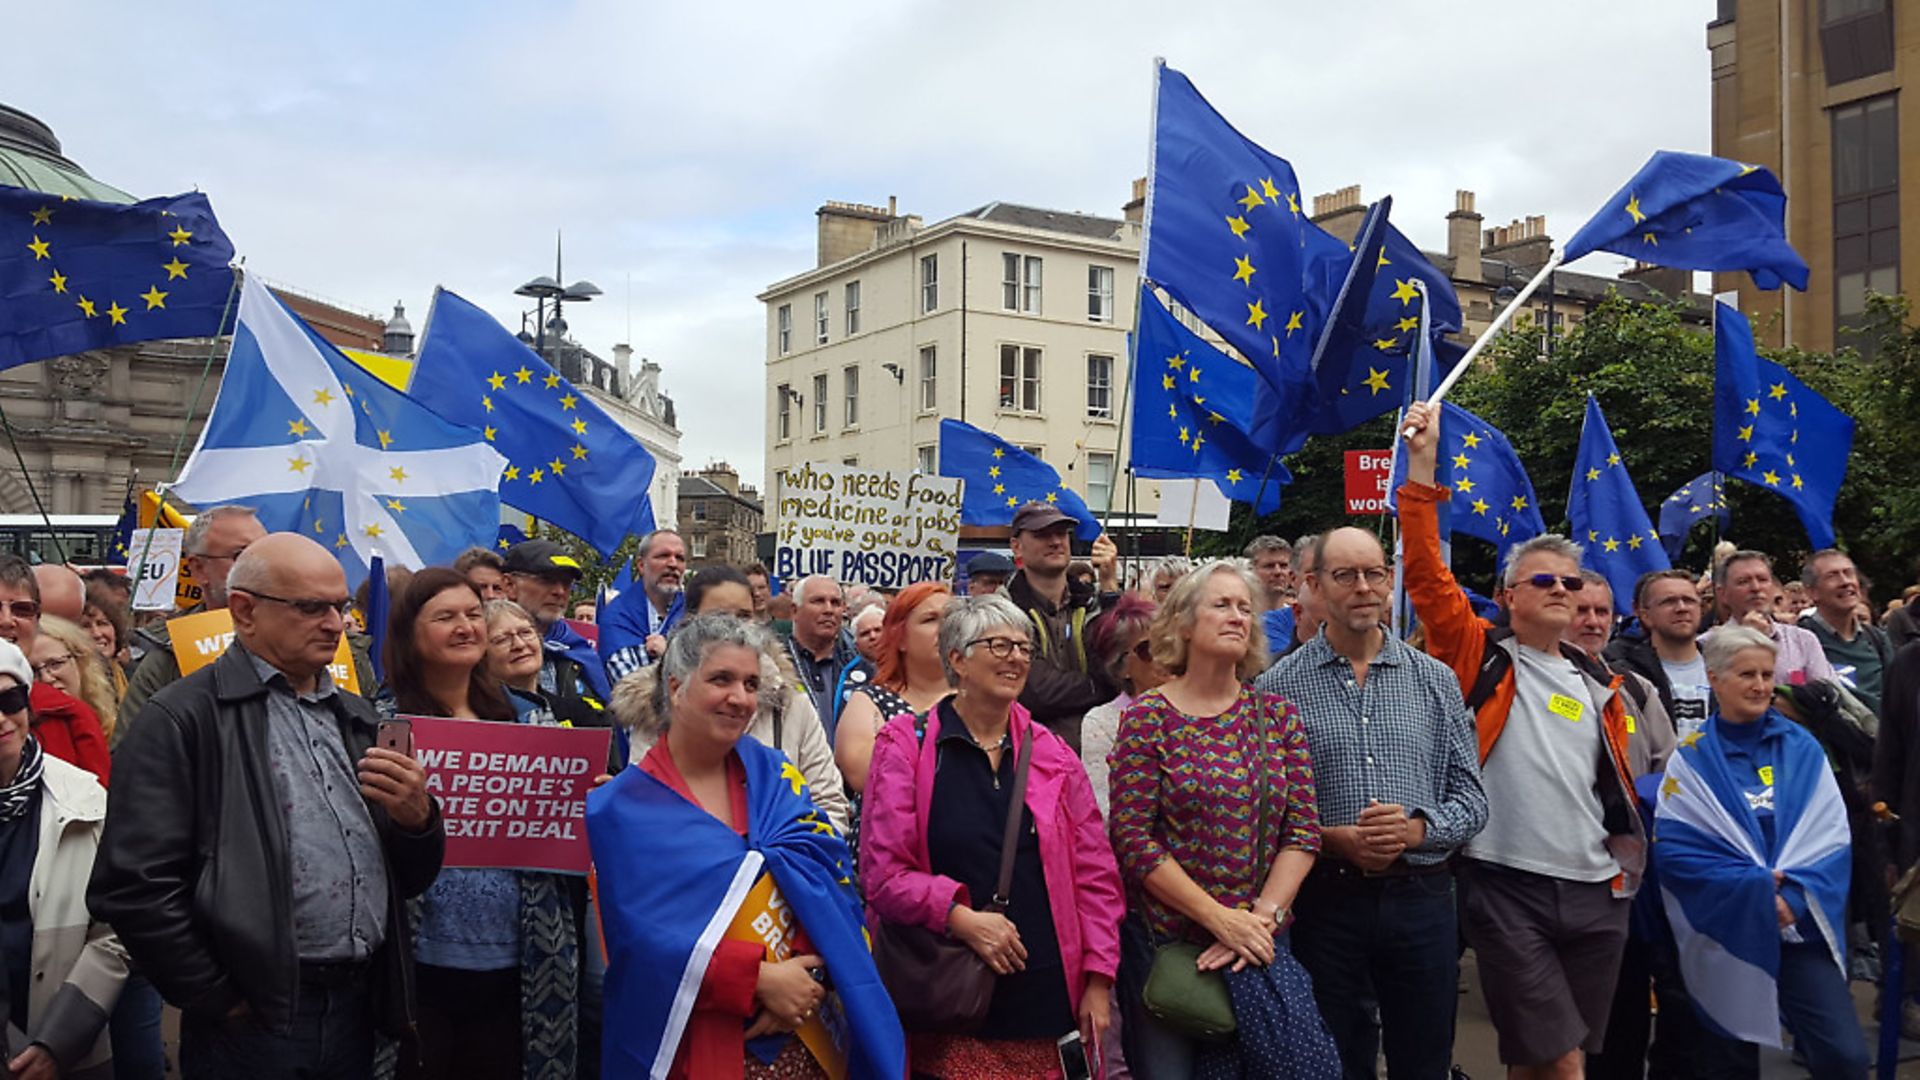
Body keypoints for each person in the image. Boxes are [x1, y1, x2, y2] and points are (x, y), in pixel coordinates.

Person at [90, 532, 444, 1080]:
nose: (334, 623)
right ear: (244, 610)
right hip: (254, 1021)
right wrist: (216, 996)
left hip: (358, 1007)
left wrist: (417, 820)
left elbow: (409, 878)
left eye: (339, 605)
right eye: (311, 607)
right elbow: (134, 885)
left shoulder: (359, 717)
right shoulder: (183, 717)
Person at [1399, 401, 1645, 1080]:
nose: (1564, 591)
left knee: (1540, 1060)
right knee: (1560, 1061)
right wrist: (1423, 463)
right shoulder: (1479, 655)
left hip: (1599, 892)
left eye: (1573, 582)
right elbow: (1425, 570)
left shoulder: (1604, 685)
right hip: (1506, 885)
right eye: (1546, 580)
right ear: (1509, 596)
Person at [586, 615, 906, 1078]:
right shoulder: (619, 807)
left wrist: (804, 975)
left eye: (751, 683)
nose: (740, 698)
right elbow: (640, 941)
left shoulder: (776, 776)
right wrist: (759, 981)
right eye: (721, 679)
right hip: (696, 1039)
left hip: (805, 1031)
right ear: (676, 688)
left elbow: (826, 877)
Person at [1257, 528, 1488, 1080]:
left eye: (1374, 574)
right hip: (1325, 901)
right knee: (1335, 1058)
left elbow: (1473, 800)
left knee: (1425, 1056)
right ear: (1312, 585)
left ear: (1389, 581)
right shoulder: (1276, 687)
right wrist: (1333, 837)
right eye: (1346, 575)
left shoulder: (1434, 680)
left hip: (1422, 899)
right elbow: (1268, 808)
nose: (1363, 588)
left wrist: (1415, 831)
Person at [862, 594, 1123, 1077]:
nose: (1017, 658)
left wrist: (1098, 980)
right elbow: (883, 875)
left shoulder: (1053, 754)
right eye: (999, 645)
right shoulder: (907, 745)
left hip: (1046, 999)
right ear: (957, 659)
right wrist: (961, 917)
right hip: (949, 997)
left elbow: (1095, 876)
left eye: (1024, 647)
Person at [1110, 560, 1332, 1076]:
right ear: (1184, 622)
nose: (1238, 617)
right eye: (1222, 604)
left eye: (1245, 609)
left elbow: (1301, 831)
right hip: (1171, 950)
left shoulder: (1277, 716)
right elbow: (1133, 839)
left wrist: (1260, 921)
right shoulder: (1148, 717)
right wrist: (1217, 918)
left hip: (1258, 946)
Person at [384, 569, 583, 1080]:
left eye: (473, 614)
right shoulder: (380, 722)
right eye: (446, 616)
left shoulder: (530, 719)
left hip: (522, 968)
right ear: (410, 632)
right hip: (417, 967)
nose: (466, 626)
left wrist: (587, 803)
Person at [1654, 625, 1870, 1078]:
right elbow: (1676, 851)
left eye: (1768, 675)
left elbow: (1830, 837)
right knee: (1729, 1065)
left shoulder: (1803, 747)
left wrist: (1790, 900)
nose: (1759, 686)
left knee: (1845, 1056)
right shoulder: (1690, 759)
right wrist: (1754, 891)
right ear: (1715, 678)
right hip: (1727, 930)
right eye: (1747, 674)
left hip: (1798, 927)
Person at [613, 565, 849, 834]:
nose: (734, 627)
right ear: (691, 621)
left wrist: (781, 860)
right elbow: (644, 810)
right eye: (719, 616)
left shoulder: (790, 702)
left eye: (745, 616)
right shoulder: (653, 704)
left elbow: (829, 806)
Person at [0, 639, 128, 1080]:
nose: (0, 717)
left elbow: (116, 928)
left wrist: (61, 1038)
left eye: (9, 699)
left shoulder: (85, 797)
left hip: (67, 1053)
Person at [118, 505, 267, 729]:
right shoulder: (167, 655)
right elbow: (130, 753)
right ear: (199, 569)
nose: (260, 567)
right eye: (240, 555)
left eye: (265, 553)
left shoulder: (311, 638)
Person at [1006, 501, 1119, 754]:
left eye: (1061, 533)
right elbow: (1033, 691)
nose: (1056, 541)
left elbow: (1119, 668)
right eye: (1042, 534)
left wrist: (1110, 587)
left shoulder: (1093, 604)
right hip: (1029, 760)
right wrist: (1097, 687)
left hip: (1098, 758)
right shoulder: (1003, 610)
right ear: (1017, 546)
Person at [835, 584, 952, 797]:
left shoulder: (980, 698)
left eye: (951, 619)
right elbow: (866, 776)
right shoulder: (869, 701)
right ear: (900, 638)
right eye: (930, 619)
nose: (945, 628)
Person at [0, 558, 110, 785]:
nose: (7, 620)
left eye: (22, 609)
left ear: (37, 618)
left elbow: (98, 809)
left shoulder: (70, 715)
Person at [501, 538, 610, 725]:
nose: (560, 591)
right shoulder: (479, 650)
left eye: (567, 583)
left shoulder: (580, 653)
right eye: (547, 580)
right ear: (509, 585)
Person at [1079, 593, 1165, 819]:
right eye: (1149, 649)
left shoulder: (1197, 710)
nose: (1165, 657)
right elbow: (1106, 813)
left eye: (1168, 644)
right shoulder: (1101, 723)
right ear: (1121, 666)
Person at [1607, 569, 1711, 737]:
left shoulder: (1726, 667)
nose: (1681, 608)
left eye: (1689, 600)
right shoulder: (1623, 676)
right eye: (1669, 602)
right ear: (1645, 615)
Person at [1708, 550, 1837, 686]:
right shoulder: (1707, 645)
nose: (1756, 588)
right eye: (1743, 582)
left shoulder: (1803, 641)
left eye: (1762, 580)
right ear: (1722, 594)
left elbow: (1829, 696)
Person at [1799, 549, 1892, 715]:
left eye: (1849, 573)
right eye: (1832, 576)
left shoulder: (1878, 639)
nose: (1845, 582)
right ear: (1812, 592)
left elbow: (1899, 694)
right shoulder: (1799, 641)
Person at [782, 576, 861, 744]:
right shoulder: (774, 664)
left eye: (835, 603)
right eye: (818, 601)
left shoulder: (861, 667)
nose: (829, 610)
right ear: (794, 611)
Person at [602, 530, 689, 679]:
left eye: (680, 558)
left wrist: (668, 653)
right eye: (663, 556)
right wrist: (678, 661)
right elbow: (631, 689)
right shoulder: (618, 615)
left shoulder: (694, 610)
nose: (673, 564)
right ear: (641, 565)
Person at [30, 616, 119, 748]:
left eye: (55, 664)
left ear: (80, 662)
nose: (46, 678)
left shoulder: (116, 726)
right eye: (32, 671)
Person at [77, 596, 129, 713]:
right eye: (85, 626)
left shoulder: (132, 675)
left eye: (102, 623)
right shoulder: (75, 685)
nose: (97, 633)